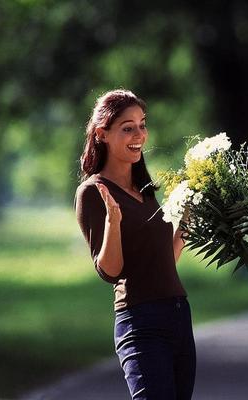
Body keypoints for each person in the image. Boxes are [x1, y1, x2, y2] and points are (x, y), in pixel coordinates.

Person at [75, 89, 196, 399]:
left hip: (179, 315)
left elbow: (161, 261)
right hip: (141, 322)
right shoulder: (93, 192)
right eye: (127, 127)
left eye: (142, 124)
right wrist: (112, 222)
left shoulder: (144, 190)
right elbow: (111, 271)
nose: (139, 134)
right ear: (102, 133)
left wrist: (185, 226)